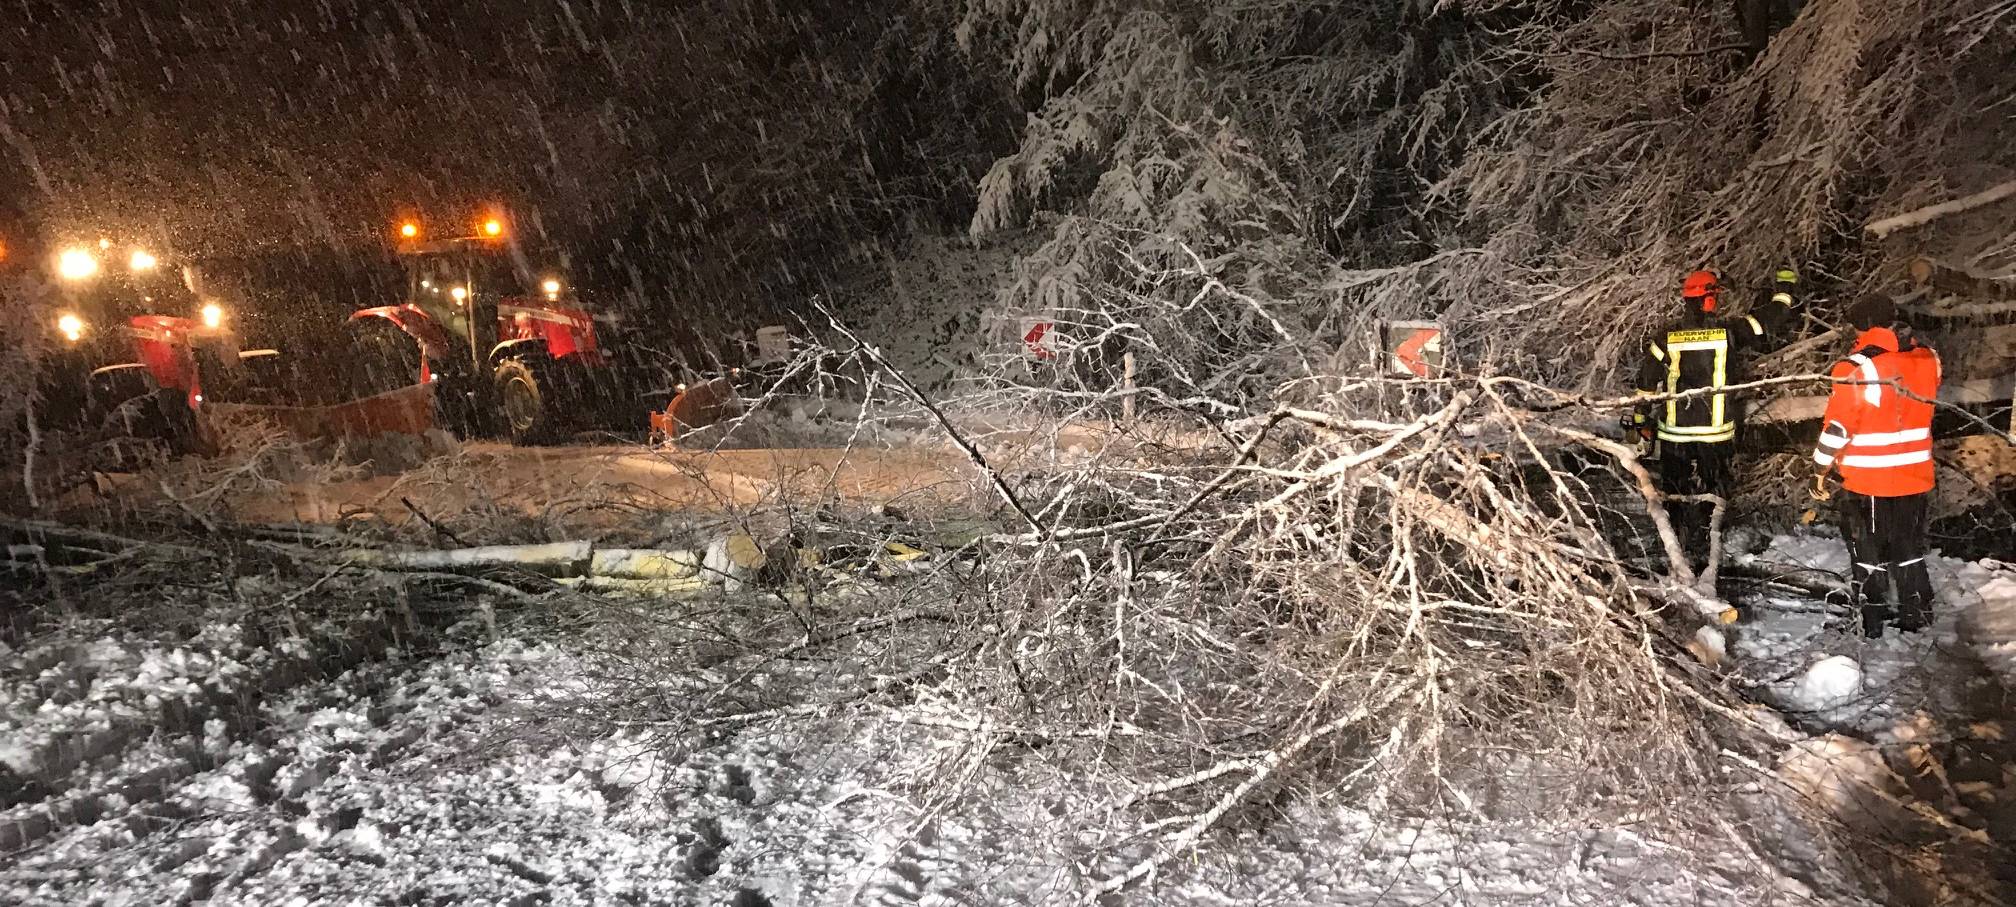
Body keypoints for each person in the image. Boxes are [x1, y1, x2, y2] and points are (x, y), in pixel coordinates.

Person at [1630, 268, 1798, 564]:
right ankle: (1713, 544)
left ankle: (1676, 547)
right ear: (1709, 301)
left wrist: (1641, 421)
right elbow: (1772, 319)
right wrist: (1784, 286)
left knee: (1674, 494)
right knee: (1716, 491)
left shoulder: (1665, 337)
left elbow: (1646, 381)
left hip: (1675, 433)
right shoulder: (1728, 332)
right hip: (1716, 433)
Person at [1811, 294, 1941, 637]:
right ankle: (1917, 612)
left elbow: (1838, 428)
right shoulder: (1928, 358)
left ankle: (1871, 620)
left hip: (1868, 479)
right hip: (1915, 475)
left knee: (1866, 550)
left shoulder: (1855, 367)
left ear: (1862, 326)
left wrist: (1819, 470)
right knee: (1908, 545)